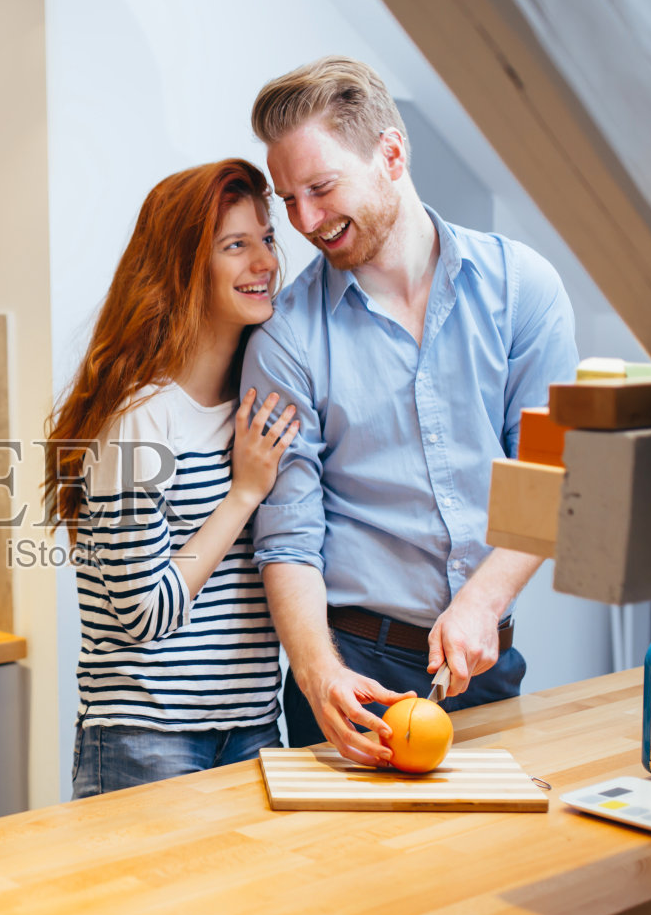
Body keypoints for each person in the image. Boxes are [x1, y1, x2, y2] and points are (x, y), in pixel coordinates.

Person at [241, 57, 579, 766]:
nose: (304, 220)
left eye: (321, 188)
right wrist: (317, 673)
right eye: (289, 198)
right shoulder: (286, 336)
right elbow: (288, 537)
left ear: (391, 153)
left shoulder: (524, 290)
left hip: (488, 664)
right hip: (352, 674)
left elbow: (551, 474)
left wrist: (483, 601)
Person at [45, 159, 300, 797]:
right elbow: (144, 612)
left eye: (266, 239)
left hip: (252, 731)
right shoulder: (139, 417)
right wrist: (243, 494)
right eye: (235, 246)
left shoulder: (256, 399)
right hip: (146, 741)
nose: (263, 262)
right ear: (184, 266)